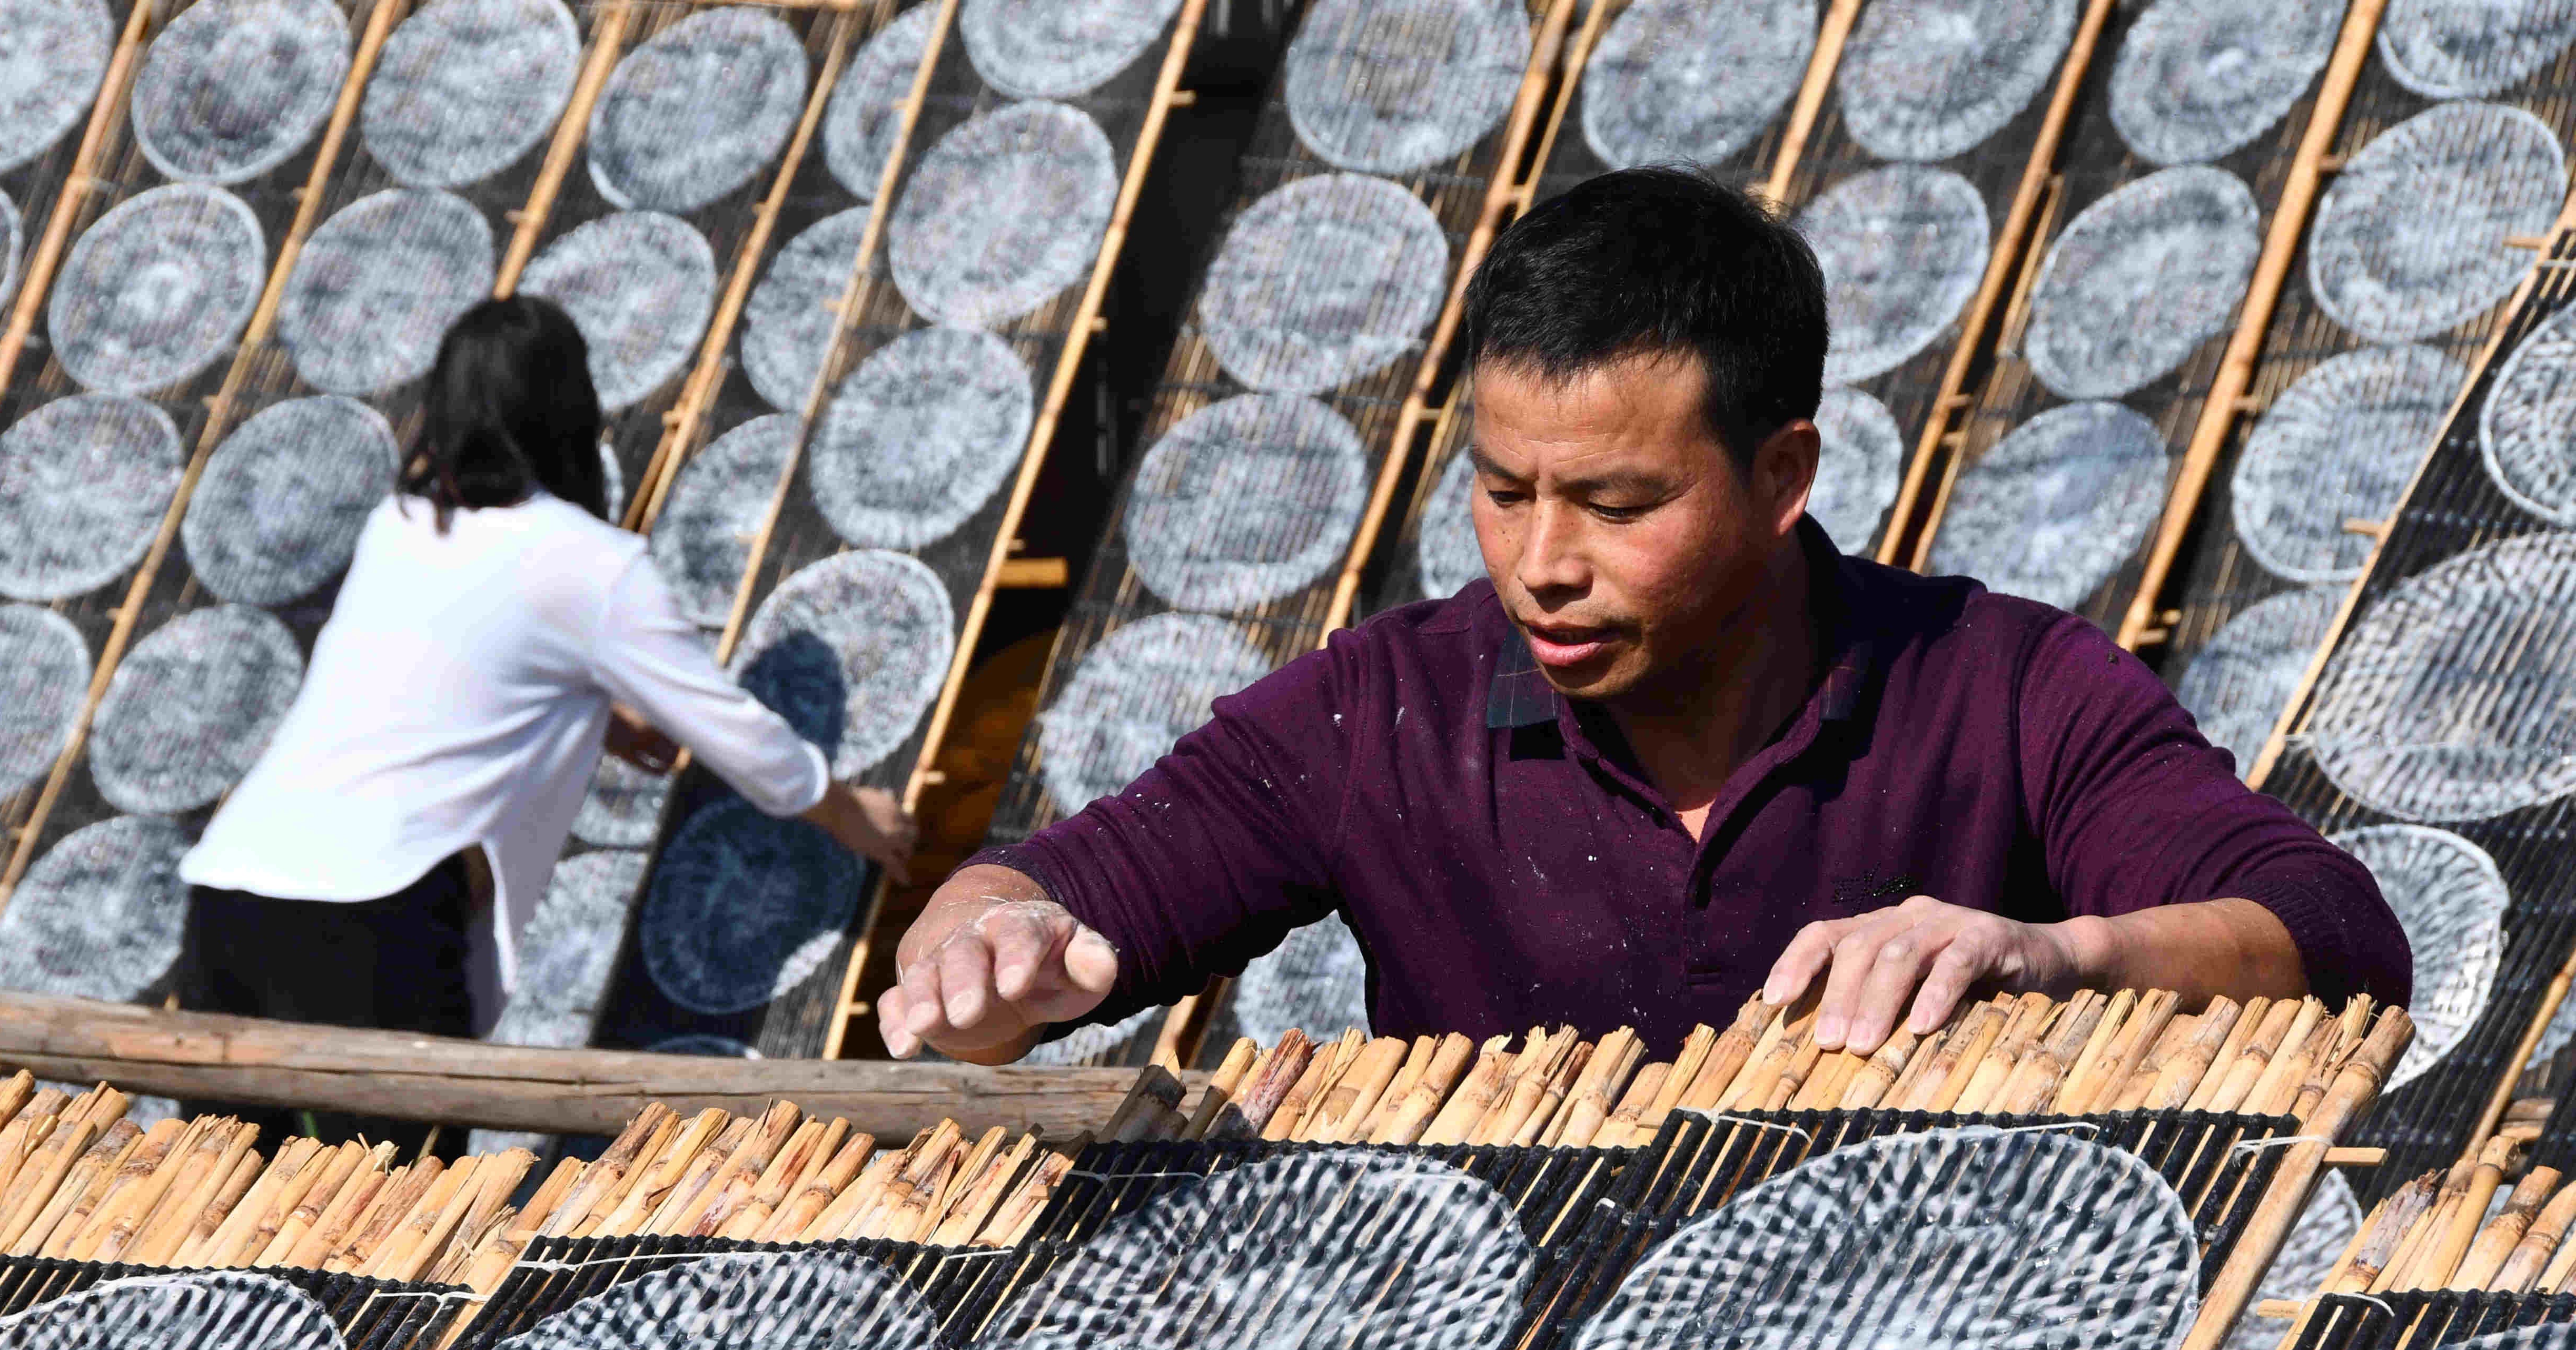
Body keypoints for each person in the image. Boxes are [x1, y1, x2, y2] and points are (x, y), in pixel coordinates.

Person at [879, 167, 2409, 1066]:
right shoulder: (1384, 710)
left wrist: (2053, 954)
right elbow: (1044, 894)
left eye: (1618, 505)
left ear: (1783, 474)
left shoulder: (2000, 687)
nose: (1542, 562)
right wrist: (982, 954)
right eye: (1503, 491)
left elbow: (2336, 938)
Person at [181, 295, 912, 1151]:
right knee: (390, 1203)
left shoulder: (402, 524)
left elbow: (431, 673)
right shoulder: (596, 566)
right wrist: (851, 813)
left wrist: (602, 715)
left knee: (214, 1191)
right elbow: (731, 729)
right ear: (573, 408)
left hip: (231, 894)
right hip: (368, 913)